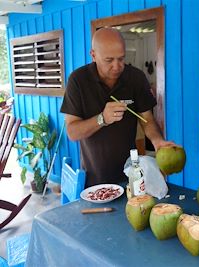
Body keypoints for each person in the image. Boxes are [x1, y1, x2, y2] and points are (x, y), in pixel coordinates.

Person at [61, 28, 173, 187]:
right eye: (109, 60)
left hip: (132, 173)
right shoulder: (78, 81)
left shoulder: (135, 77)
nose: (117, 66)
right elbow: (72, 132)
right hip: (94, 177)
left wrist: (158, 141)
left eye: (121, 59)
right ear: (93, 55)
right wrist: (103, 119)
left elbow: (147, 119)